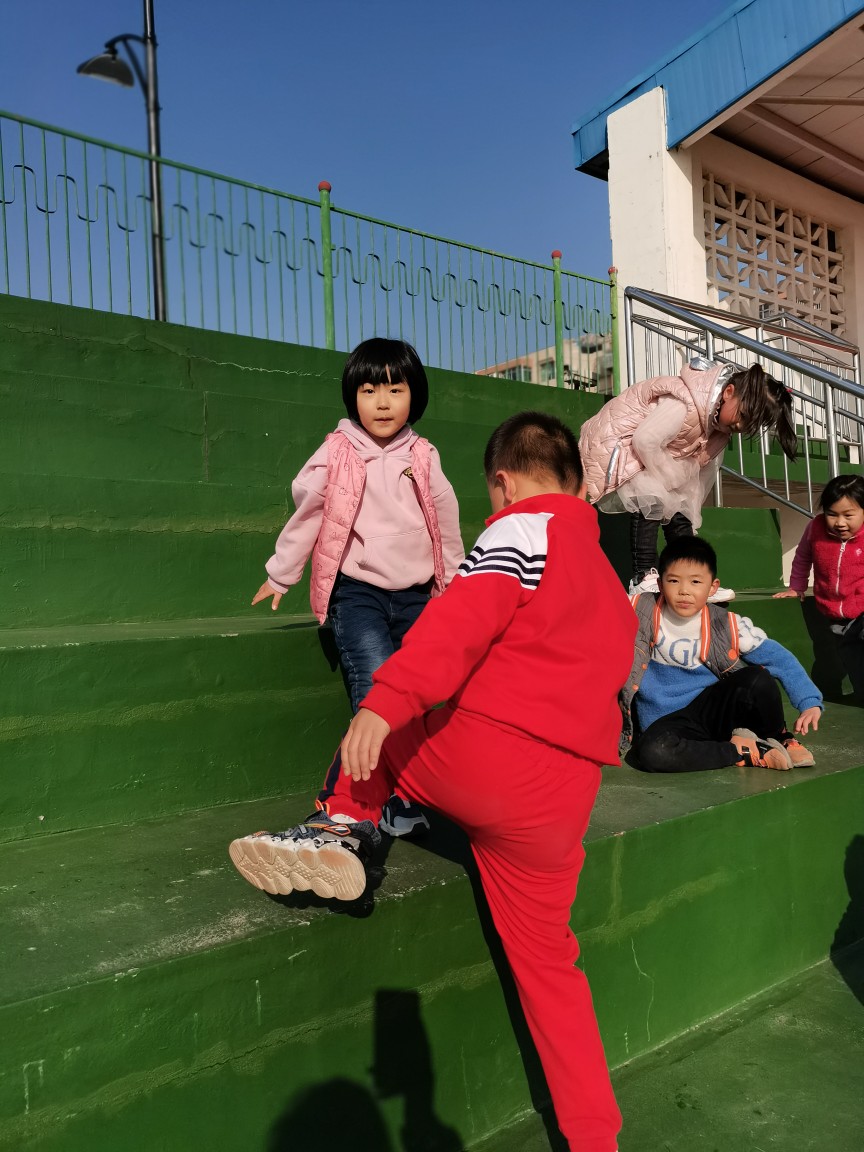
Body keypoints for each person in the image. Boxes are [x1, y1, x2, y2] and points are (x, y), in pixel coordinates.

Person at [230, 411, 638, 1152]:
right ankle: (595, 1138)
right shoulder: (611, 582)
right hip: (563, 802)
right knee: (552, 971)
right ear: (577, 485)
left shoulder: (521, 530)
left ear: (502, 482)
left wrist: (384, 703)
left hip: (485, 763)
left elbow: (458, 623)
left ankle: (342, 824)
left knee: (382, 734)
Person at [252, 337, 464, 835]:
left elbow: (445, 522)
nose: (382, 403)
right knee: (374, 689)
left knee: (415, 695)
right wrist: (282, 572)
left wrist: (454, 583)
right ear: (353, 397)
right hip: (358, 594)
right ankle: (356, 803)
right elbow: (309, 514)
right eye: (369, 391)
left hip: (416, 596)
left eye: (395, 389)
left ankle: (405, 794)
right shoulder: (338, 452)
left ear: (415, 395)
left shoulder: (423, 455)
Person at [579, 357, 798, 601]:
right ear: (728, 392)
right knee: (652, 495)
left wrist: (688, 514)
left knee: (680, 508)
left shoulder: (719, 434)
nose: (740, 425)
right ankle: (643, 576)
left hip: (654, 457)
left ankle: (693, 578)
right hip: (617, 445)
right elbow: (645, 441)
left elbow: (699, 479)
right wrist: (670, 479)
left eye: (749, 425)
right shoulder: (685, 402)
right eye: (743, 415)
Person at [623, 536, 822, 773]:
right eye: (674, 581)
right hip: (667, 725)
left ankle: (777, 737)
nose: (684, 591)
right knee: (653, 752)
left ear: (713, 587)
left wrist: (809, 701)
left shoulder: (726, 624)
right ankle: (741, 751)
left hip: (713, 713)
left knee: (757, 678)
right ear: (660, 583)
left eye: (696, 582)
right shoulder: (637, 609)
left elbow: (779, 659)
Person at [774, 474, 864, 703]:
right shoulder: (815, 528)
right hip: (833, 611)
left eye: (848, 515)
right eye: (832, 514)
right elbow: (802, 557)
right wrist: (796, 587)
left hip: (861, 609)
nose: (840, 522)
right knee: (850, 657)